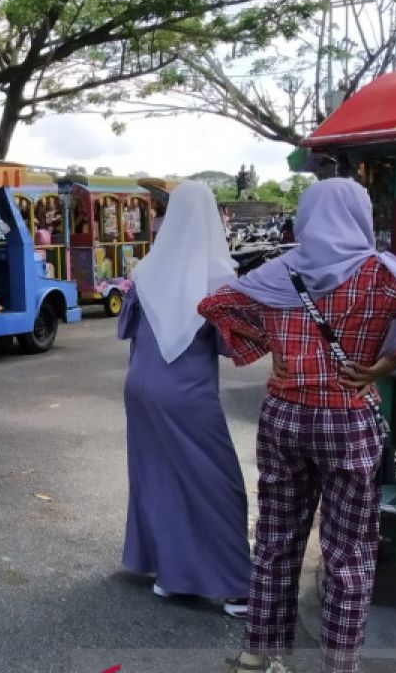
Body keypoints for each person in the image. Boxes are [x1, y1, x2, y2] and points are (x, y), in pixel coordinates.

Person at [199, 178, 396, 673]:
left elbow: (213, 304)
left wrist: (272, 349)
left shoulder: (279, 269)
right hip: (346, 418)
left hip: (283, 416)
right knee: (349, 552)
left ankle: (259, 651)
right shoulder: (380, 273)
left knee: (276, 538)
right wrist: (383, 366)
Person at [117, 181, 250, 619]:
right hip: (187, 394)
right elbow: (234, 348)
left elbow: (126, 329)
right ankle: (234, 588)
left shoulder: (148, 269)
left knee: (159, 478)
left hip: (139, 388)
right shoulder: (219, 278)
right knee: (217, 485)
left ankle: (168, 575)